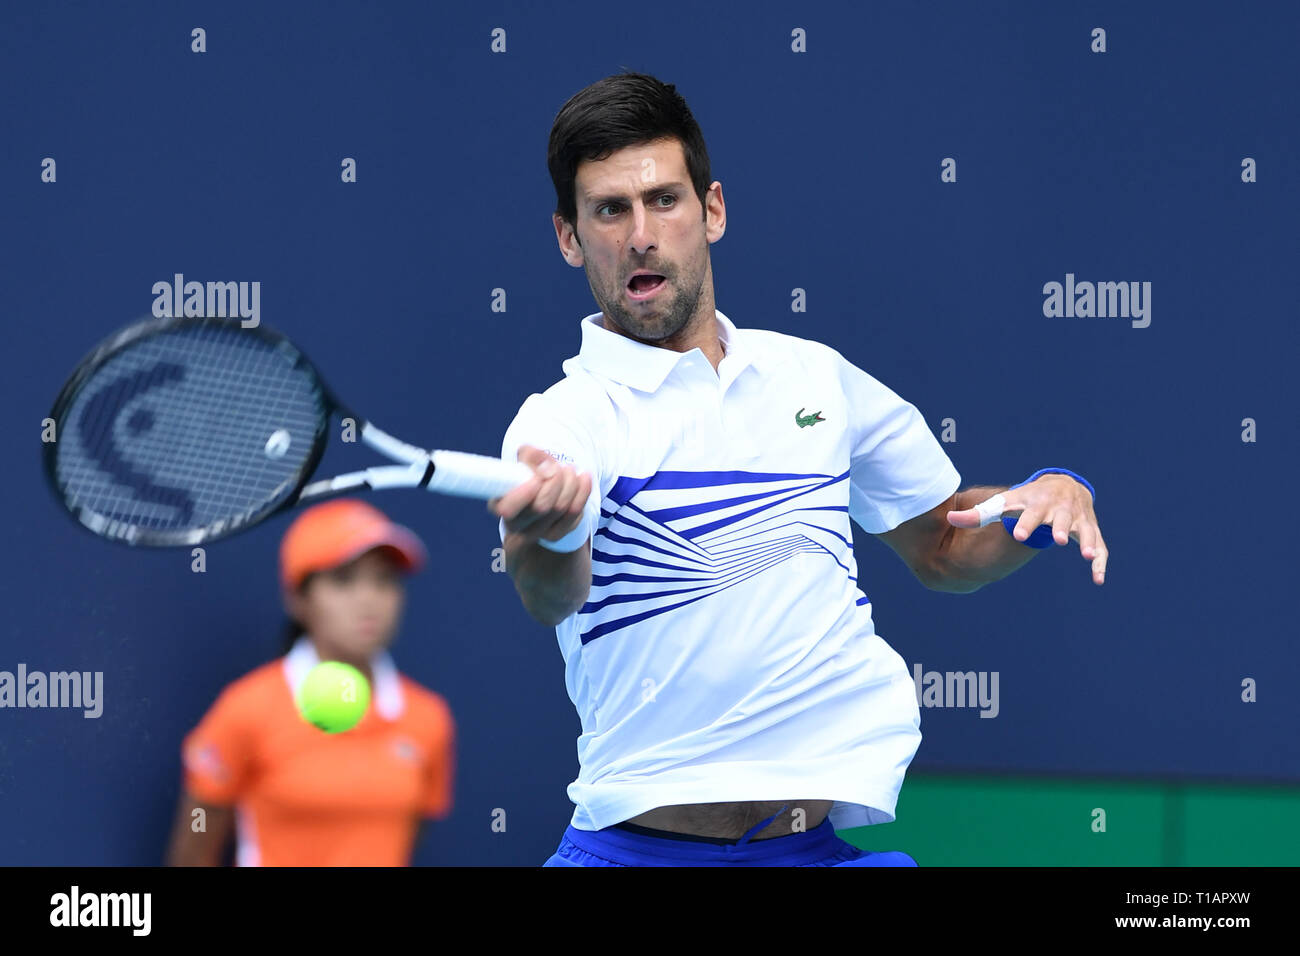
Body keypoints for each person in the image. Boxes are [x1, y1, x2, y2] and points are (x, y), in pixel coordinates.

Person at [487, 71, 1108, 867]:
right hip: (636, 854)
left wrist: (1038, 503)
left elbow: (946, 545)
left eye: (664, 200)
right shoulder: (562, 421)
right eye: (610, 209)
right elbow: (549, 595)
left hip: (815, 851)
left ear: (711, 211)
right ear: (570, 237)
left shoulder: (815, 378)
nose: (640, 233)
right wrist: (544, 534)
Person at [165, 499, 455, 866]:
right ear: (298, 598)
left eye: (384, 580)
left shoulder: (428, 718)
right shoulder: (246, 709)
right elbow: (192, 854)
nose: (369, 600)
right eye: (343, 579)